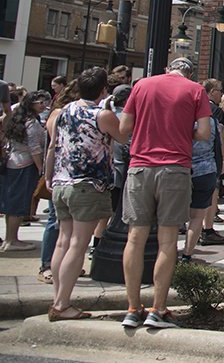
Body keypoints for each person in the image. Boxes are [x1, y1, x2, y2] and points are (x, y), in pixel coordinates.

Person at [118, 57, 211, 329]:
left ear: (167, 69)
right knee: (168, 241)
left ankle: (132, 308)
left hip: (140, 167)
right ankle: (158, 309)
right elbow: (204, 133)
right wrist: (182, 131)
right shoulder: (196, 90)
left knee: (135, 238)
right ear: (190, 73)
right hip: (174, 168)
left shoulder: (142, 86)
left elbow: (124, 128)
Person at [44, 67, 121, 321]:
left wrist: (48, 176)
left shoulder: (62, 111)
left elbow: (53, 146)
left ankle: (59, 298)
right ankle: (62, 304)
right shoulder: (102, 115)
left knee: (63, 241)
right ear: (103, 90)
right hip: (87, 184)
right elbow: (124, 136)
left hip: (61, 182)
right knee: (78, 244)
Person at [38, 80, 81, 282]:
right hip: (60, 174)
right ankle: (47, 265)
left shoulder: (67, 113)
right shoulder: (60, 114)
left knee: (68, 225)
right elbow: (52, 146)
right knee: (55, 222)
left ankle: (64, 264)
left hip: (68, 175)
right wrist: (48, 175)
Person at [179, 81, 224, 263]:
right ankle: (187, 254)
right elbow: (219, 145)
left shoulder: (182, 119)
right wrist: (220, 165)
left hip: (182, 168)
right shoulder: (212, 122)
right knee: (197, 216)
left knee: (173, 216)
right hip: (206, 170)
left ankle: (168, 253)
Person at [2, 90, 49, 251]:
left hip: (12, 163)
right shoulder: (31, 123)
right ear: (31, 104)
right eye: (40, 102)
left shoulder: (17, 118)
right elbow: (35, 149)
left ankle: (9, 238)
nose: (44, 105)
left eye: (45, 102)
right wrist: (41, 168)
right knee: (18, 204)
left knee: (12, 204)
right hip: (25, 166)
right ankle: (12, 240)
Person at [198, 80, 224, 247]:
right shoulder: (216, 110)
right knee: (212, 194)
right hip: (210, 159)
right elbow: (220, 136)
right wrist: (222, 159)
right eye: (219, 90)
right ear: (211, 92)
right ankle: (207, 230)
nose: (221, 94)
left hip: (191, 160)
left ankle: (196, 231)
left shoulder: (194, 107)